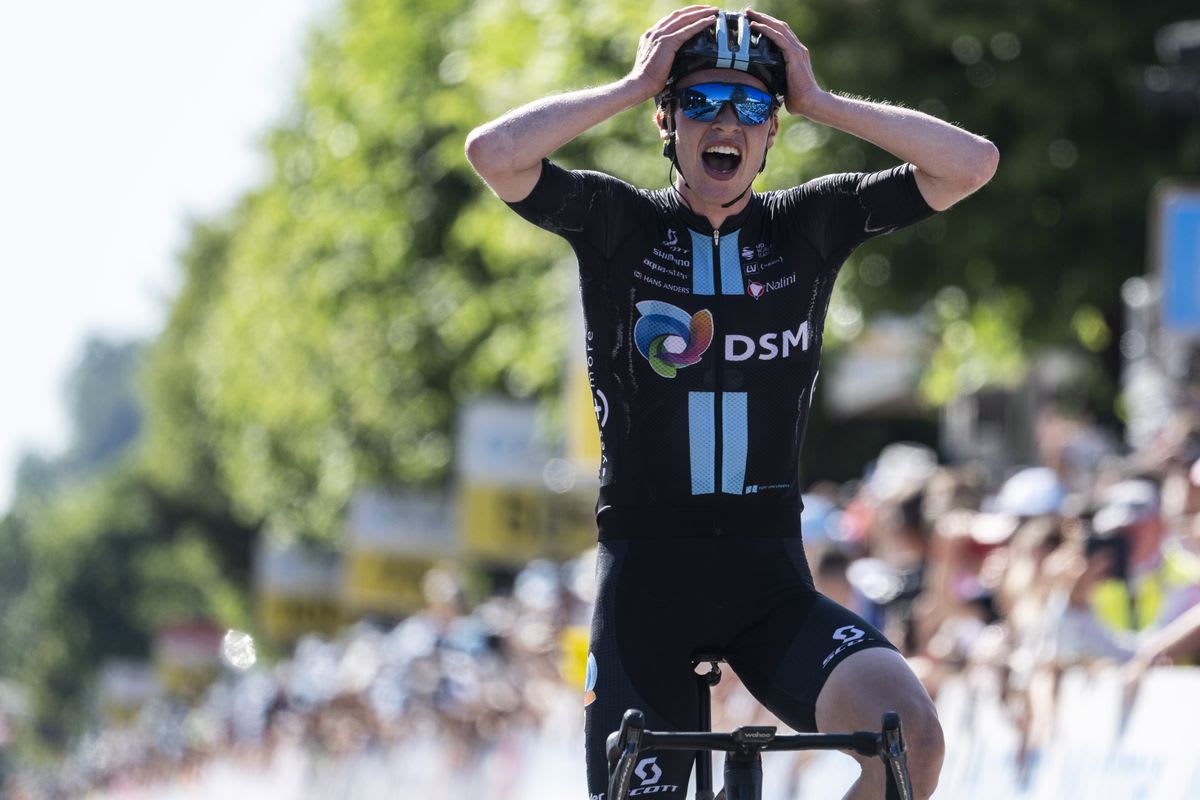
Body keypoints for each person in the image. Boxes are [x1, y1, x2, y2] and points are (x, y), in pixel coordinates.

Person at [465, 7, 997, 799]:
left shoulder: (807, 225)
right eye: (701, 101)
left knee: (911, 743)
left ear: (771, 130)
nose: (726, 123)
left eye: (750, 106)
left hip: (768, 582)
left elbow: (972, 164)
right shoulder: (620, 224)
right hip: (647, 586)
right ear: (667, 120)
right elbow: (494, 154)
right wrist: (632, 83)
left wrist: (821, 101)